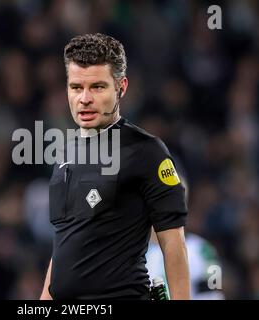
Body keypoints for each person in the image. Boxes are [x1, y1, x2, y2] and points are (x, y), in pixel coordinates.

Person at [40, 33, 190, 300]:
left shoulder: (147, 152)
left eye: (97, 87)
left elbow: (173, 243)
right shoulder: (64, 153)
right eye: (76, 87)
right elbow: (64, 242)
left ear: (121, 87)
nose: (84, 98)